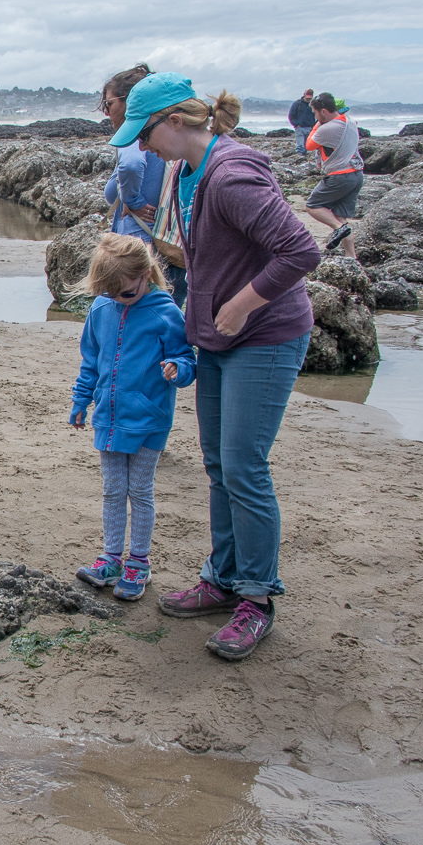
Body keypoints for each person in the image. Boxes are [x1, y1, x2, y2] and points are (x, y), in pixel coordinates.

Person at [113, 71, 320, 661]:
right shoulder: (185, 171)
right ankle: (224, 578)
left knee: (245, 467)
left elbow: (301, 250)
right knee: (217, 464)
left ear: (175, 123)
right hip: (218, 339)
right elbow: (208, 247)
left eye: (145, 134)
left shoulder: (232, 175)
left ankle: (257, 598)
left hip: (265, 335)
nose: (141, 148)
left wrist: (240, 301)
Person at [70, 234, 196, 601]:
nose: (115, 299)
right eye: (108, 294)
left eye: (124, 293)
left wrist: (178, 368)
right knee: (112, 489)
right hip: (108, 417)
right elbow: (91, 361)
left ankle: (138, 561)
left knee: (139, 491)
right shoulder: (100, 309)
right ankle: (110, 556)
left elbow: (187, 357)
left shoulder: (165, 312)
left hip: (149, 420)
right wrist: (80, 399)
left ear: (145, 274)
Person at [101, 64, 185, 308]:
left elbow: (130, 165)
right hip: (170, 237)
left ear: (129, 101)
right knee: (170, 308)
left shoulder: (134, 130)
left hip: (139, 240)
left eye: (109, 104)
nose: (107, 112)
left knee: (132, 310)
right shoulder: (168, 133)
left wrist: (133, 201)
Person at [304, 92, 364, 257]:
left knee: (312, 206)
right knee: (340, 216)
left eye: (316, 113)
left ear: (323, 112)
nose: (315, 117)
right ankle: (351, 257)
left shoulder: (329, 128)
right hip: (356, 175)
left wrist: (317, 125)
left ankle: (339, 229)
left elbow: (309, 145)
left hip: (340, 176)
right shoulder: (349, 122)